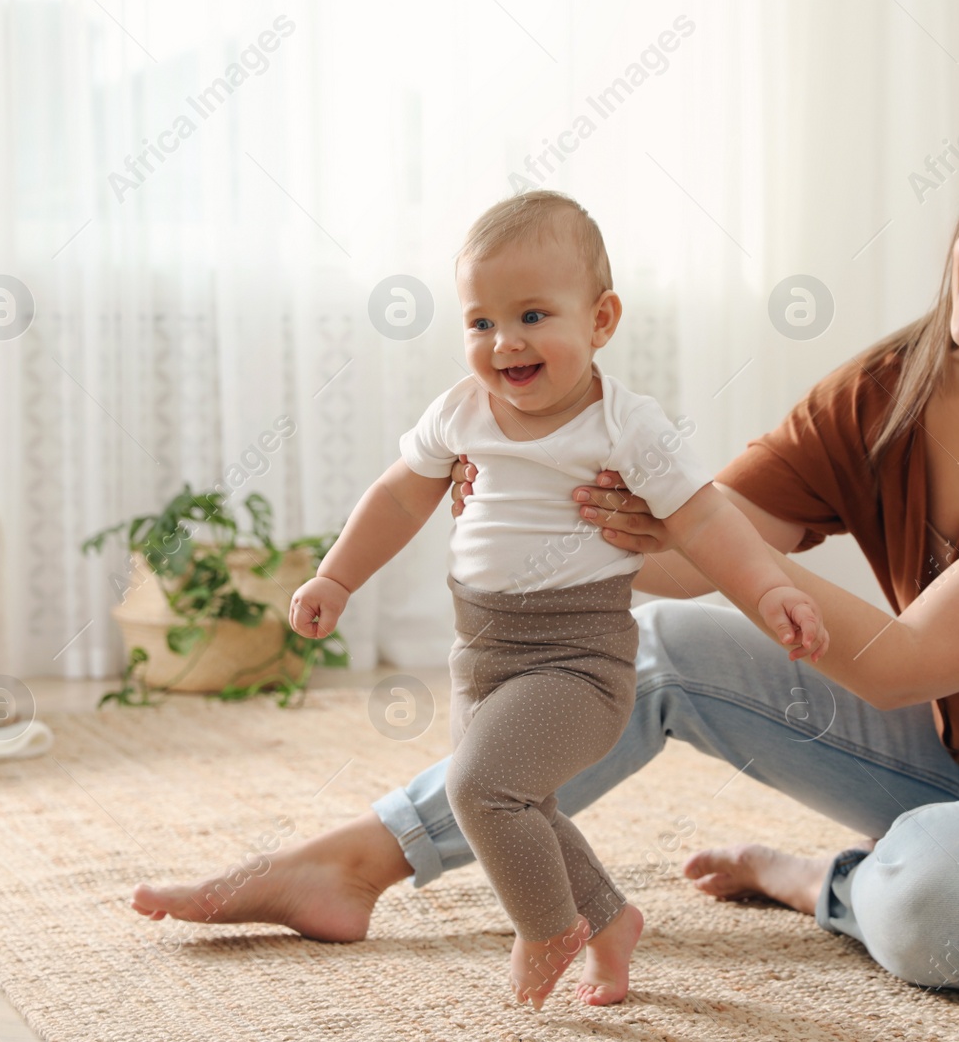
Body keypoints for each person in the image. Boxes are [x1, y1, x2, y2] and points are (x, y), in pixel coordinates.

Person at [133, 106, 959, 995]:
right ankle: (351, 862)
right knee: (648, 642)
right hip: (950, 759)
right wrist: (560, 493)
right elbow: (693, 546)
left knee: (933, 915)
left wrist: (706, 538)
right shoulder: (888, 383)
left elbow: (902, 658)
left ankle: (817, 879)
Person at [275, 191, 829, 1009]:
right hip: (482, 652)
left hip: (581, 657)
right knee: (514, 802)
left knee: (477, 789)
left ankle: (547, 929)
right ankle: (609, 922)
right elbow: (398, 498)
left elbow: (706, 516)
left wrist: (770, 588)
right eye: (480, 322)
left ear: (601, 319)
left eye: (533, 314)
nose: (505, 342)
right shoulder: (462, 412)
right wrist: (337, 575)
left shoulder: (624, 426)